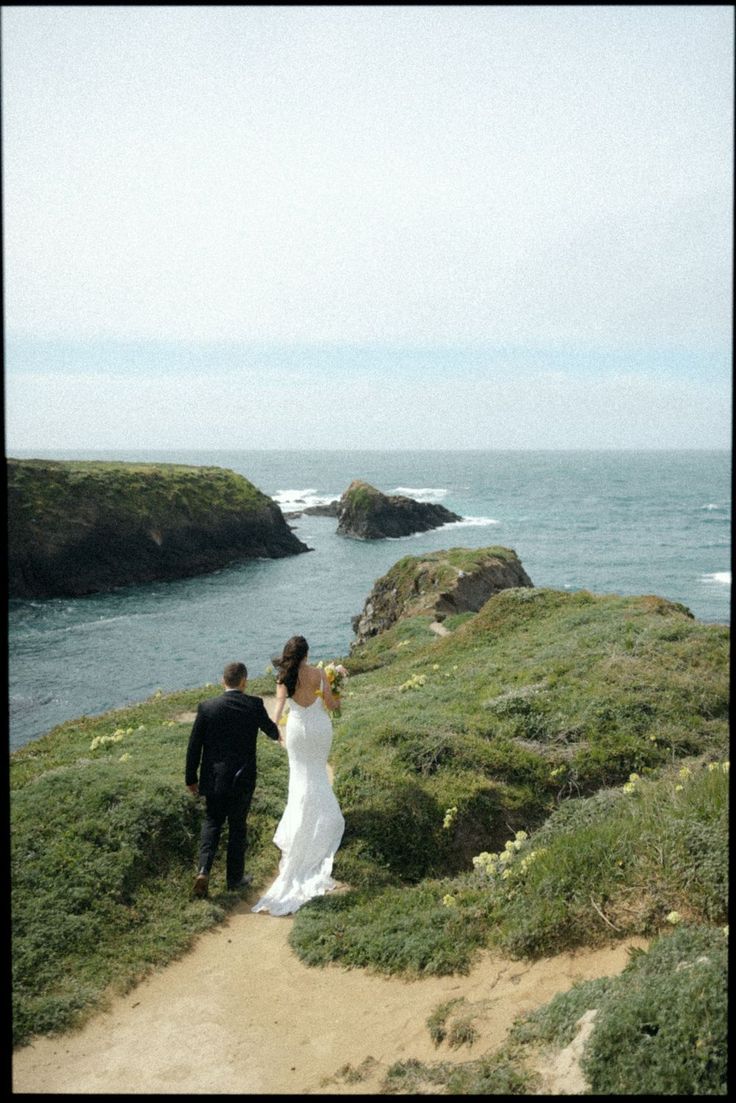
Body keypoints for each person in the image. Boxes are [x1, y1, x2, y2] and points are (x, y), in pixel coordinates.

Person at [251, 635, 345, 916]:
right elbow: (331, 705)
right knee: (317, 772)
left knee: (300, 778)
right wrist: (339, 688)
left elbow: (277, 711)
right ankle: (323, 820)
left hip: (296, 730)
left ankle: (299, 823)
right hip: (318, 729)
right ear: (306, 653)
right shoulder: (318, 673)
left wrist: (275, 732)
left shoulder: (283, 678)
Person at [185, 660, 281, 897]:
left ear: (223, 681)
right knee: (238, 826)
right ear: (244, 682)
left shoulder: (207, 707)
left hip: (213, 779)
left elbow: (194, 746)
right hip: (242, 779)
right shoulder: (254, 704)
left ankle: (203, 870)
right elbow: (272, 731)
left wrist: (191, 778)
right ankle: (234, 879)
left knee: (212, 823)